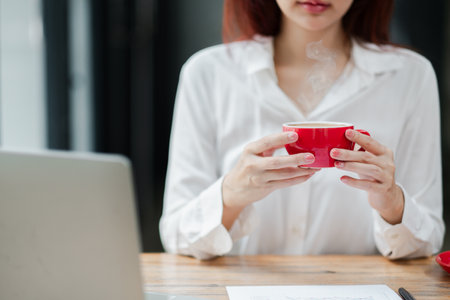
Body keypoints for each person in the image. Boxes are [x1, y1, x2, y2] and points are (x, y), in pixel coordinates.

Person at [159, 0, 445, 260]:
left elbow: (426, 243)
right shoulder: (209, 73)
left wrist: (393, 203)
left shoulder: (409, 77)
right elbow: (176, 235)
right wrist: (231, 194)